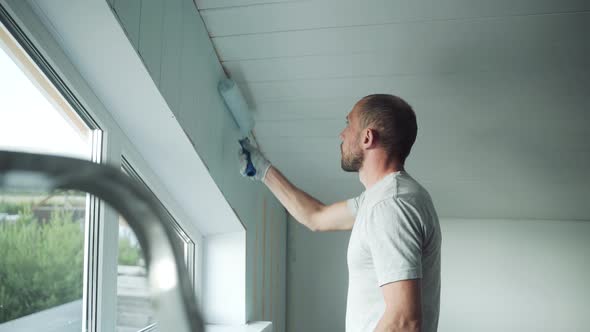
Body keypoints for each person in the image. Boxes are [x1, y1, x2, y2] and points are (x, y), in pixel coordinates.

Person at [238, 94, 441, 332]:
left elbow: (404, 321)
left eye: (348, 124)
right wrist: (263, 169)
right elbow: (316, 217)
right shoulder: (379, 199)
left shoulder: (390, 205)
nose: (341, 134)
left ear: (367, 137)